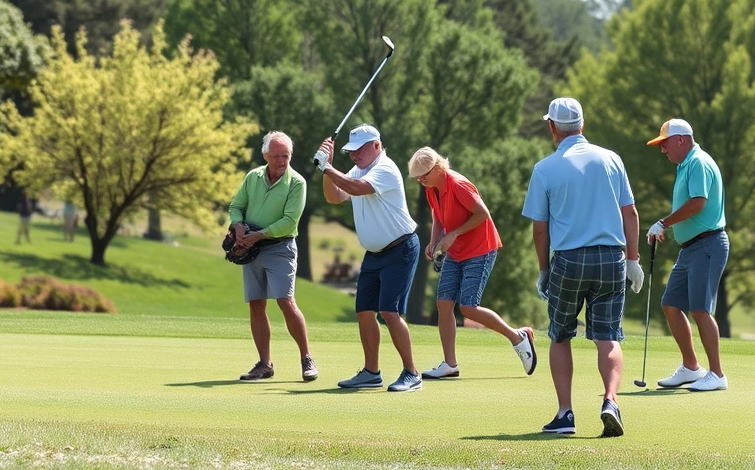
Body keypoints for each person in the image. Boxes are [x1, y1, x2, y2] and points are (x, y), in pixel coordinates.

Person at [521, 97, 644, 438]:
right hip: (611, 258)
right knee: (608, 337)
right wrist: (632, 260)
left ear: (551, 128)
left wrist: (544, 269)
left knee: (560, 335)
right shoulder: (611, 159)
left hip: (569, 260)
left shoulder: (545, 168)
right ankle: (610, 400)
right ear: (582, 125)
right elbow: (630, 213)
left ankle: (565, 415)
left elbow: (540, 229)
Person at [407, 146, 537, 380]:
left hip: (481, 249)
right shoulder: (431, 189)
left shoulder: (458, 185)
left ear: (437, 168)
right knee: (444, 304)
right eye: (417, 177)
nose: (420, 180)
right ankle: (450, 364)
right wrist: (434, 241)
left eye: (423, 175)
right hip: (455, 253)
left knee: (468, 307)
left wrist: (453, 234)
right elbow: (438, 216)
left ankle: (518, 337)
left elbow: (482, 214)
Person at [314, 124, 422, 393]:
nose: (353, 155)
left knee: (389, 311)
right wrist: (328, 168)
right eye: (349, 151)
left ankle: (412, 373)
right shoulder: (358, 169)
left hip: (401, 249)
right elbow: (334, 196)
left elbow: (359, 188)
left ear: (376, 145)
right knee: (364, 311)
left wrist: (327, 168)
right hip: (374, 254)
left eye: (358, 150)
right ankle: (371, 372)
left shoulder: (385, 168)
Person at [645, 118, 730, 392]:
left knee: (700, 309)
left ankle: (717, 374)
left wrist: (663, 223)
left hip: (708, 244)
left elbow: (697, 203)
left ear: (681, 139)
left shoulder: (698, 163)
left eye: (665, 143)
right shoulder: (685, 165)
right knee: (670, 304)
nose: (663, 150)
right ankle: (692, 367)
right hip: (691, 248)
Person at [228, 131, 318, 383]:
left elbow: (289, 222)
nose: (281, 161)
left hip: (280, 247)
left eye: (286, 156)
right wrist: (237, 226)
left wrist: (259, 235)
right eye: (276, 156)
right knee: (256, 303)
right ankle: (264, 364)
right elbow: (236, 207)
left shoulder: (297, 182)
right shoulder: (253, 177)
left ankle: (306, 358)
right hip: (251, 247)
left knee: (285, 301)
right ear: (265, 155)